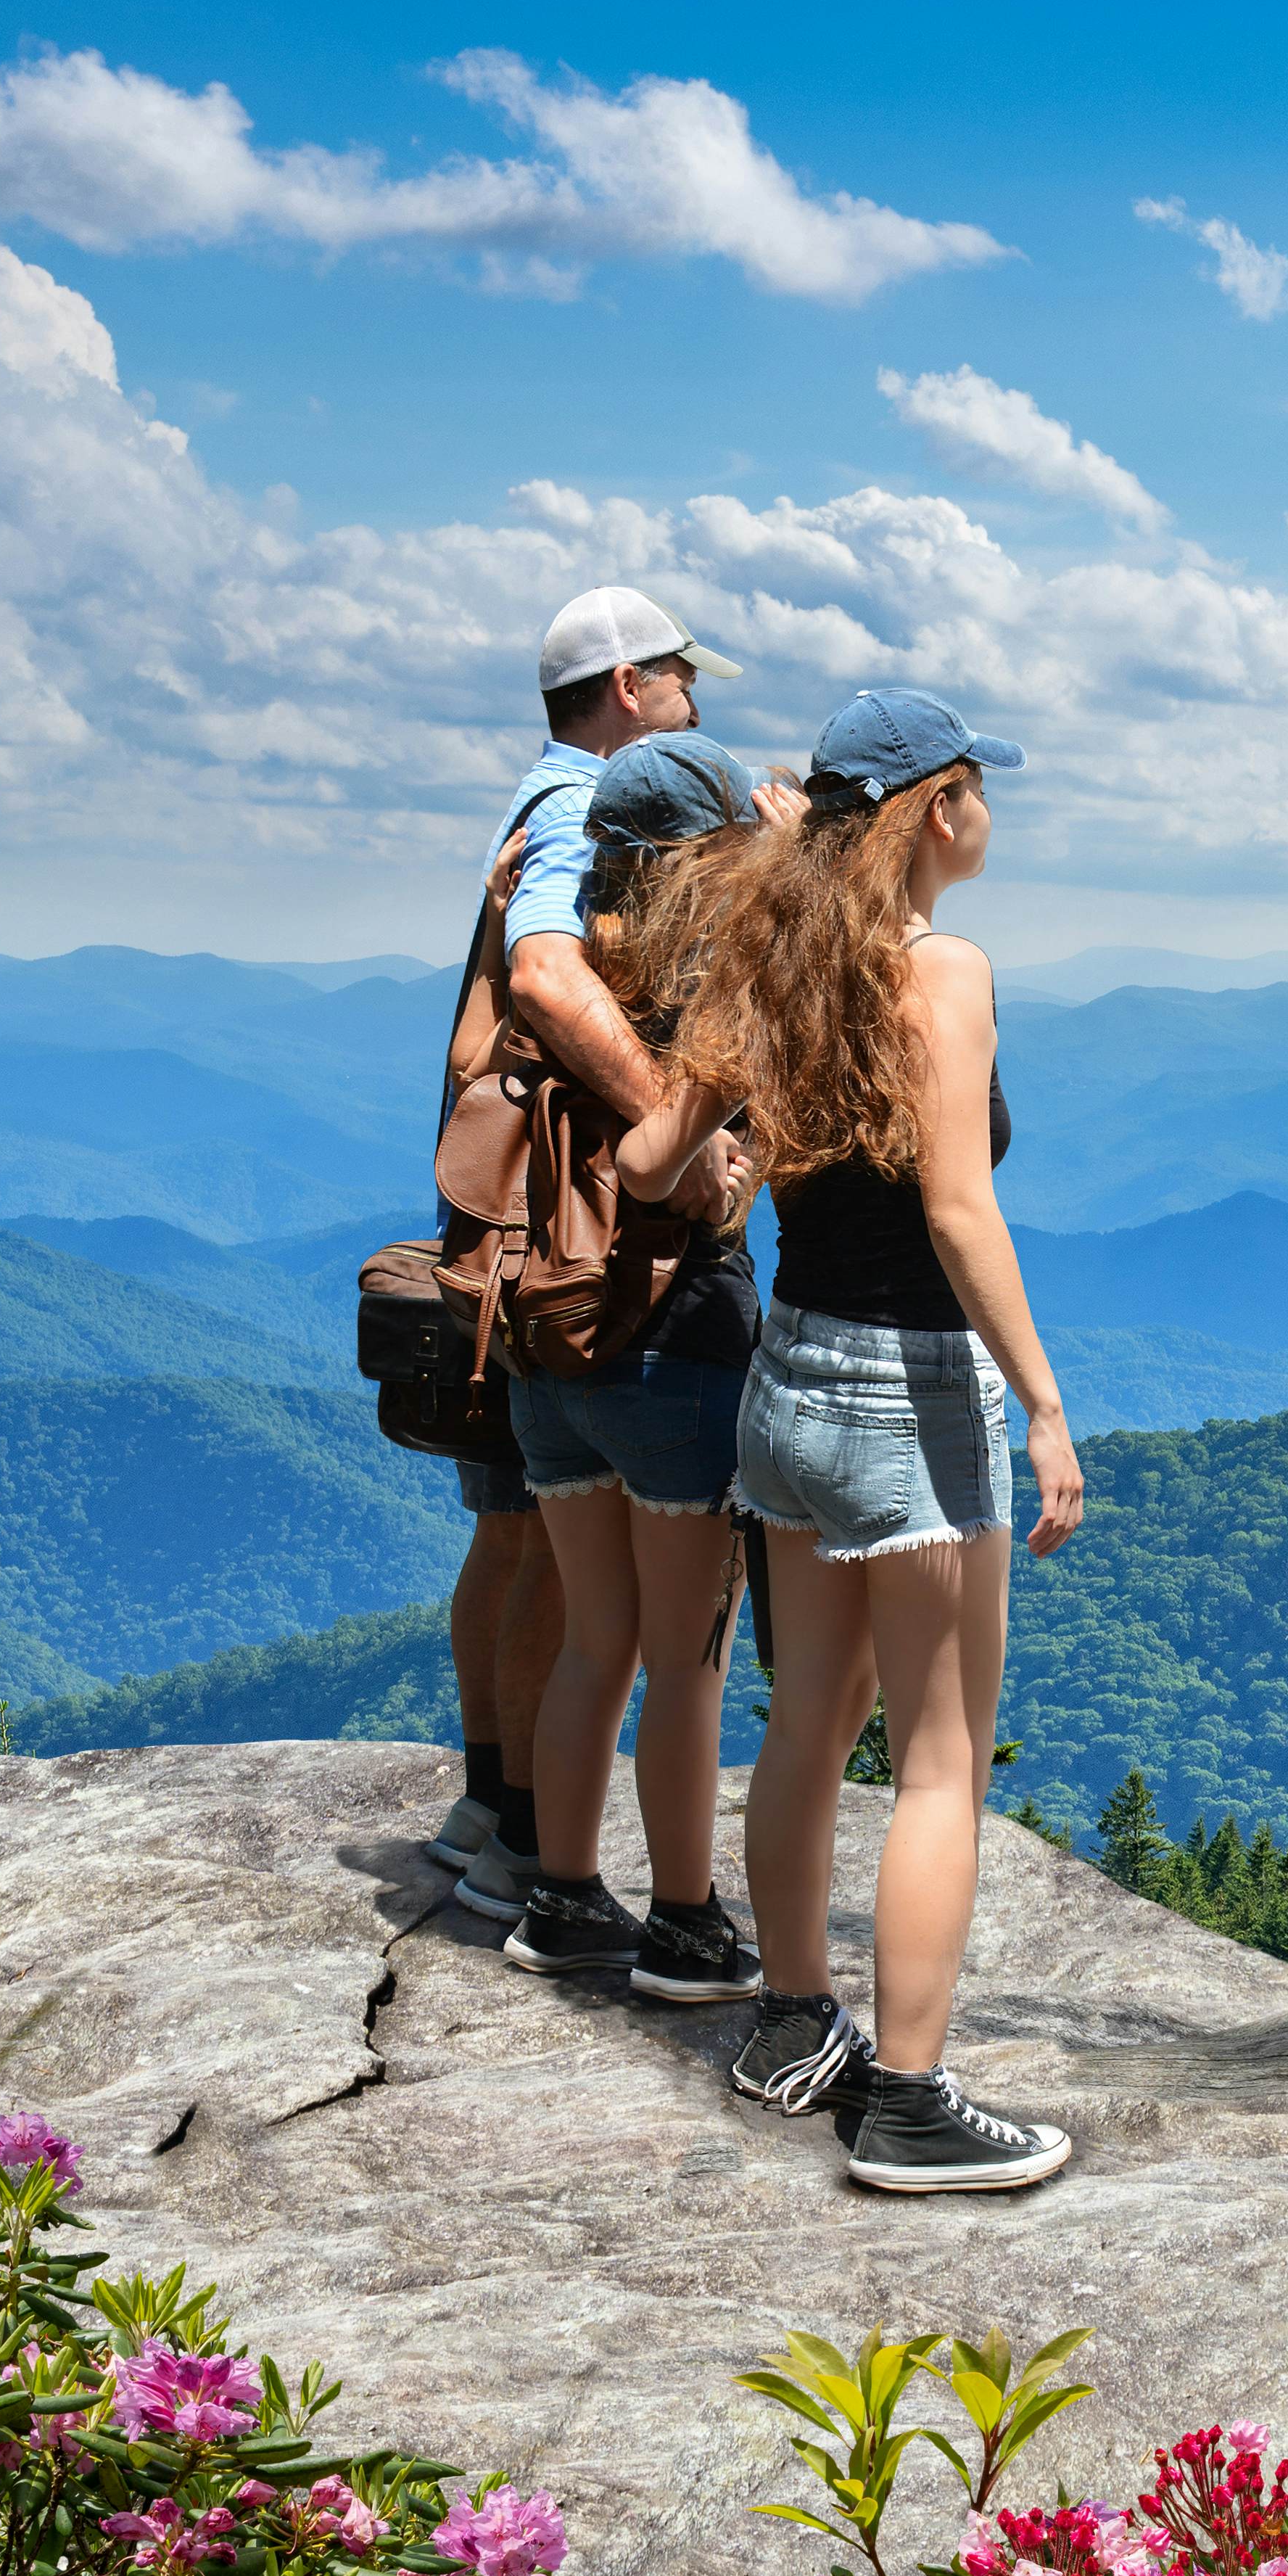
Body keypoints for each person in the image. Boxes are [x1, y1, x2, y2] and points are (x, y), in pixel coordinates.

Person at [623, 686, 1083, 2194]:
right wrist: (1044, 1402)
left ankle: (789, 2019)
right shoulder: (943, 971)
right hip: (911, 1394)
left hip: (789, 1381)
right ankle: (909, 2101)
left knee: (806, 1722)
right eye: (978, 789)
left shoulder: (767, 956)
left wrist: (740, 1147)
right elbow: (958, 1206)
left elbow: (644, 1157)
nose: (989, 815)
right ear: (935, 804)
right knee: (940, 1762)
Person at [442, 585, 743, 1924]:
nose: (695, 697)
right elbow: (556, 980)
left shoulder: (527, 803)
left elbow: (509, 1009)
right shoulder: (584, 808)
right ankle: (581, 1868)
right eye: (681, 676)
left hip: (511, 1242)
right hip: (611, 1259)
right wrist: (679, 1135)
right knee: (623, 1609)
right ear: (627, 685)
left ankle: (506, 1823)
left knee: (530, 1541)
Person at [494, 730, 776, 1997]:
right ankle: (683, 1922)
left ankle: (560, 1899)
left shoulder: (561, 969)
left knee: (591, 1642)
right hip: (677, 1346)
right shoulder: (704, 981)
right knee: (686, 1659)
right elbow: (714, 1180)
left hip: (546, 1337)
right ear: (703, 853)